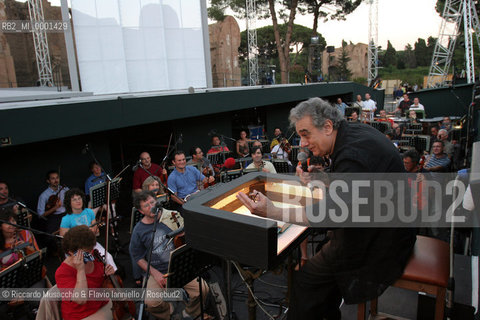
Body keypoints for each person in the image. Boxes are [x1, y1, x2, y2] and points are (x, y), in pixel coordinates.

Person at [236, 97, 415, 319]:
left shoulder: (352, 154)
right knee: (323, 254)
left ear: (328, 127)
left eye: (305, 134)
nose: (302, 143)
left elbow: (330, 215)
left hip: (383, 240)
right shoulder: (353, 134)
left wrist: (271, 211)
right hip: (388, 225)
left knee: (308, 279)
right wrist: (319, 180)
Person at [129, 191, 209, 320]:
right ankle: (167, 314)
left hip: (178, 266)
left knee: (203, 289)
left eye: (152, 202)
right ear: (141, 211)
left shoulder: (171, 218)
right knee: (151, 303)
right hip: (156, 271)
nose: (151, 207)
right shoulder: (139, 230)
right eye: (146, 205)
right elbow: (137, 257)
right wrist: (155, 274)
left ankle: (191, 312)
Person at [55, 225, 115, 320]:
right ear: (71, 252)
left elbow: (104, 287)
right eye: (86, 252)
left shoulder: (95, 256)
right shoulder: (63, 272)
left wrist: (109, 276)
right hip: (81, 315)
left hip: (102, 304)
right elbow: (80, 300)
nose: (91, 253)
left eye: (91, 249)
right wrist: (80, 270)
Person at [59, 188, 117, 271]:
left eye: (79, 198)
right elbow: (64, 240)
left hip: (91, 243)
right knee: (87, 265)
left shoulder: (89, 212)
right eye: (74, 200)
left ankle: (112, 279)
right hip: (77, 249)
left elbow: (96, 232)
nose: (78, 201)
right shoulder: (66, 219)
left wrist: (94, 230)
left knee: (108, 258)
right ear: (69, 203)